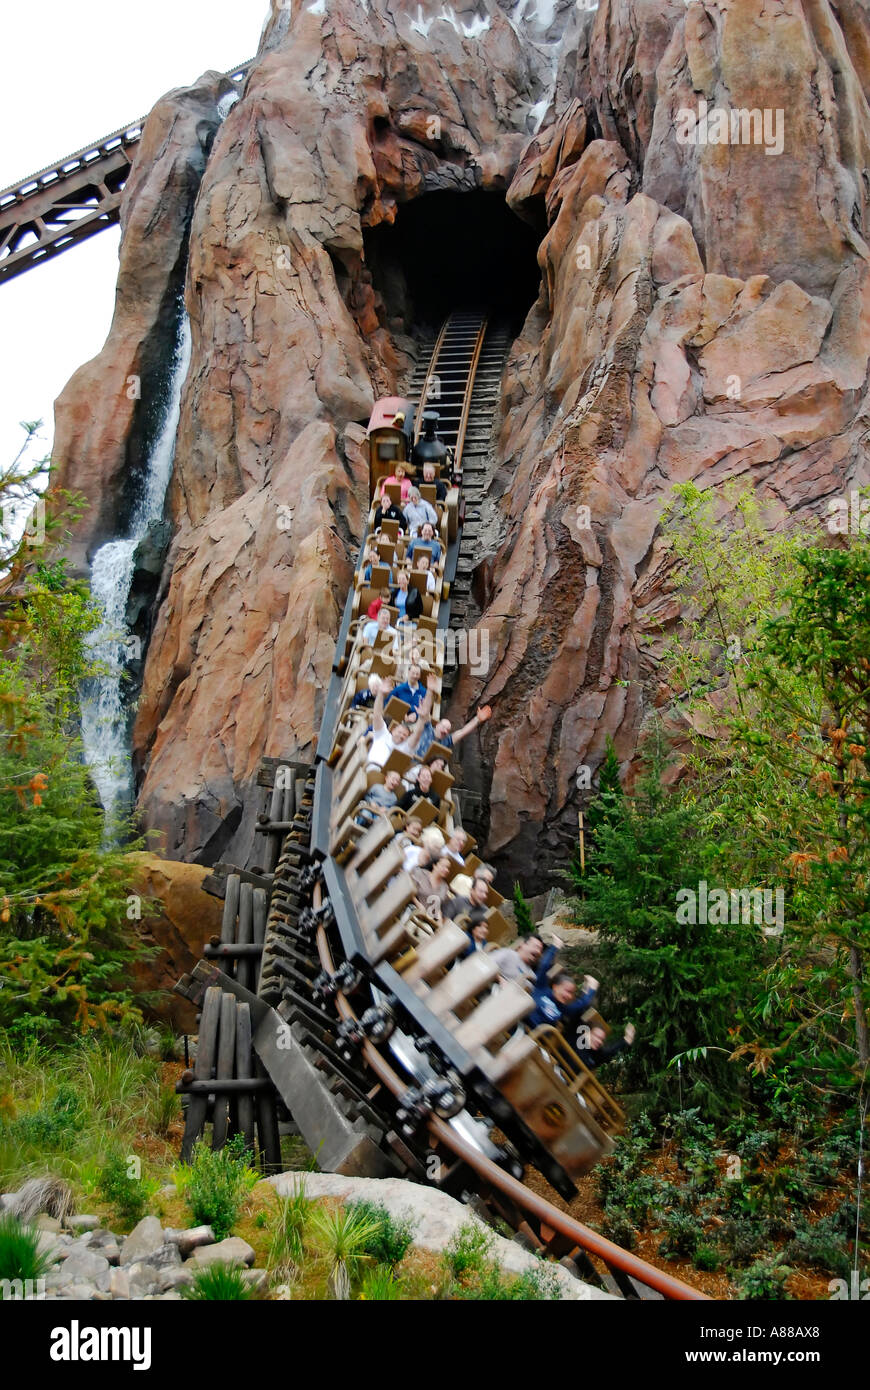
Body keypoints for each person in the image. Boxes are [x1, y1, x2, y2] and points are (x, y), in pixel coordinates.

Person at [527, 940, 599, 1031]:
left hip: (536, 1037)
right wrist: (555, 946)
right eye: (567, 991)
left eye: (572, 994)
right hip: (522, 1021)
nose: (569, 996)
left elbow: (582, 1003)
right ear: (555, 987)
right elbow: (544, 966)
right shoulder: (542, 988)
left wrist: (592, 987)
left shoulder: (564, 1008)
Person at [366, 678, 433, 770]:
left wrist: (430, 692)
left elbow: (417, 733)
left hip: (385, 777)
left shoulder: (406, 747)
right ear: (393, 730)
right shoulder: (382, 734)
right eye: (400, 732)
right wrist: (381, 695)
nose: (401, 735)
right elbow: (377, 715)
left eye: (405, 735)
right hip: (370, 768)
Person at [415, 704, 491, 759]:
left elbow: (462, 732)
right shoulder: (427, 727)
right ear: (437, 725)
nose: (445, 731)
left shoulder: (446, 741)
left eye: (447, 730)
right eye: (443, 727)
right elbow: (424, 714)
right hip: (412, 756)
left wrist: (477, 720)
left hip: (422, 768)